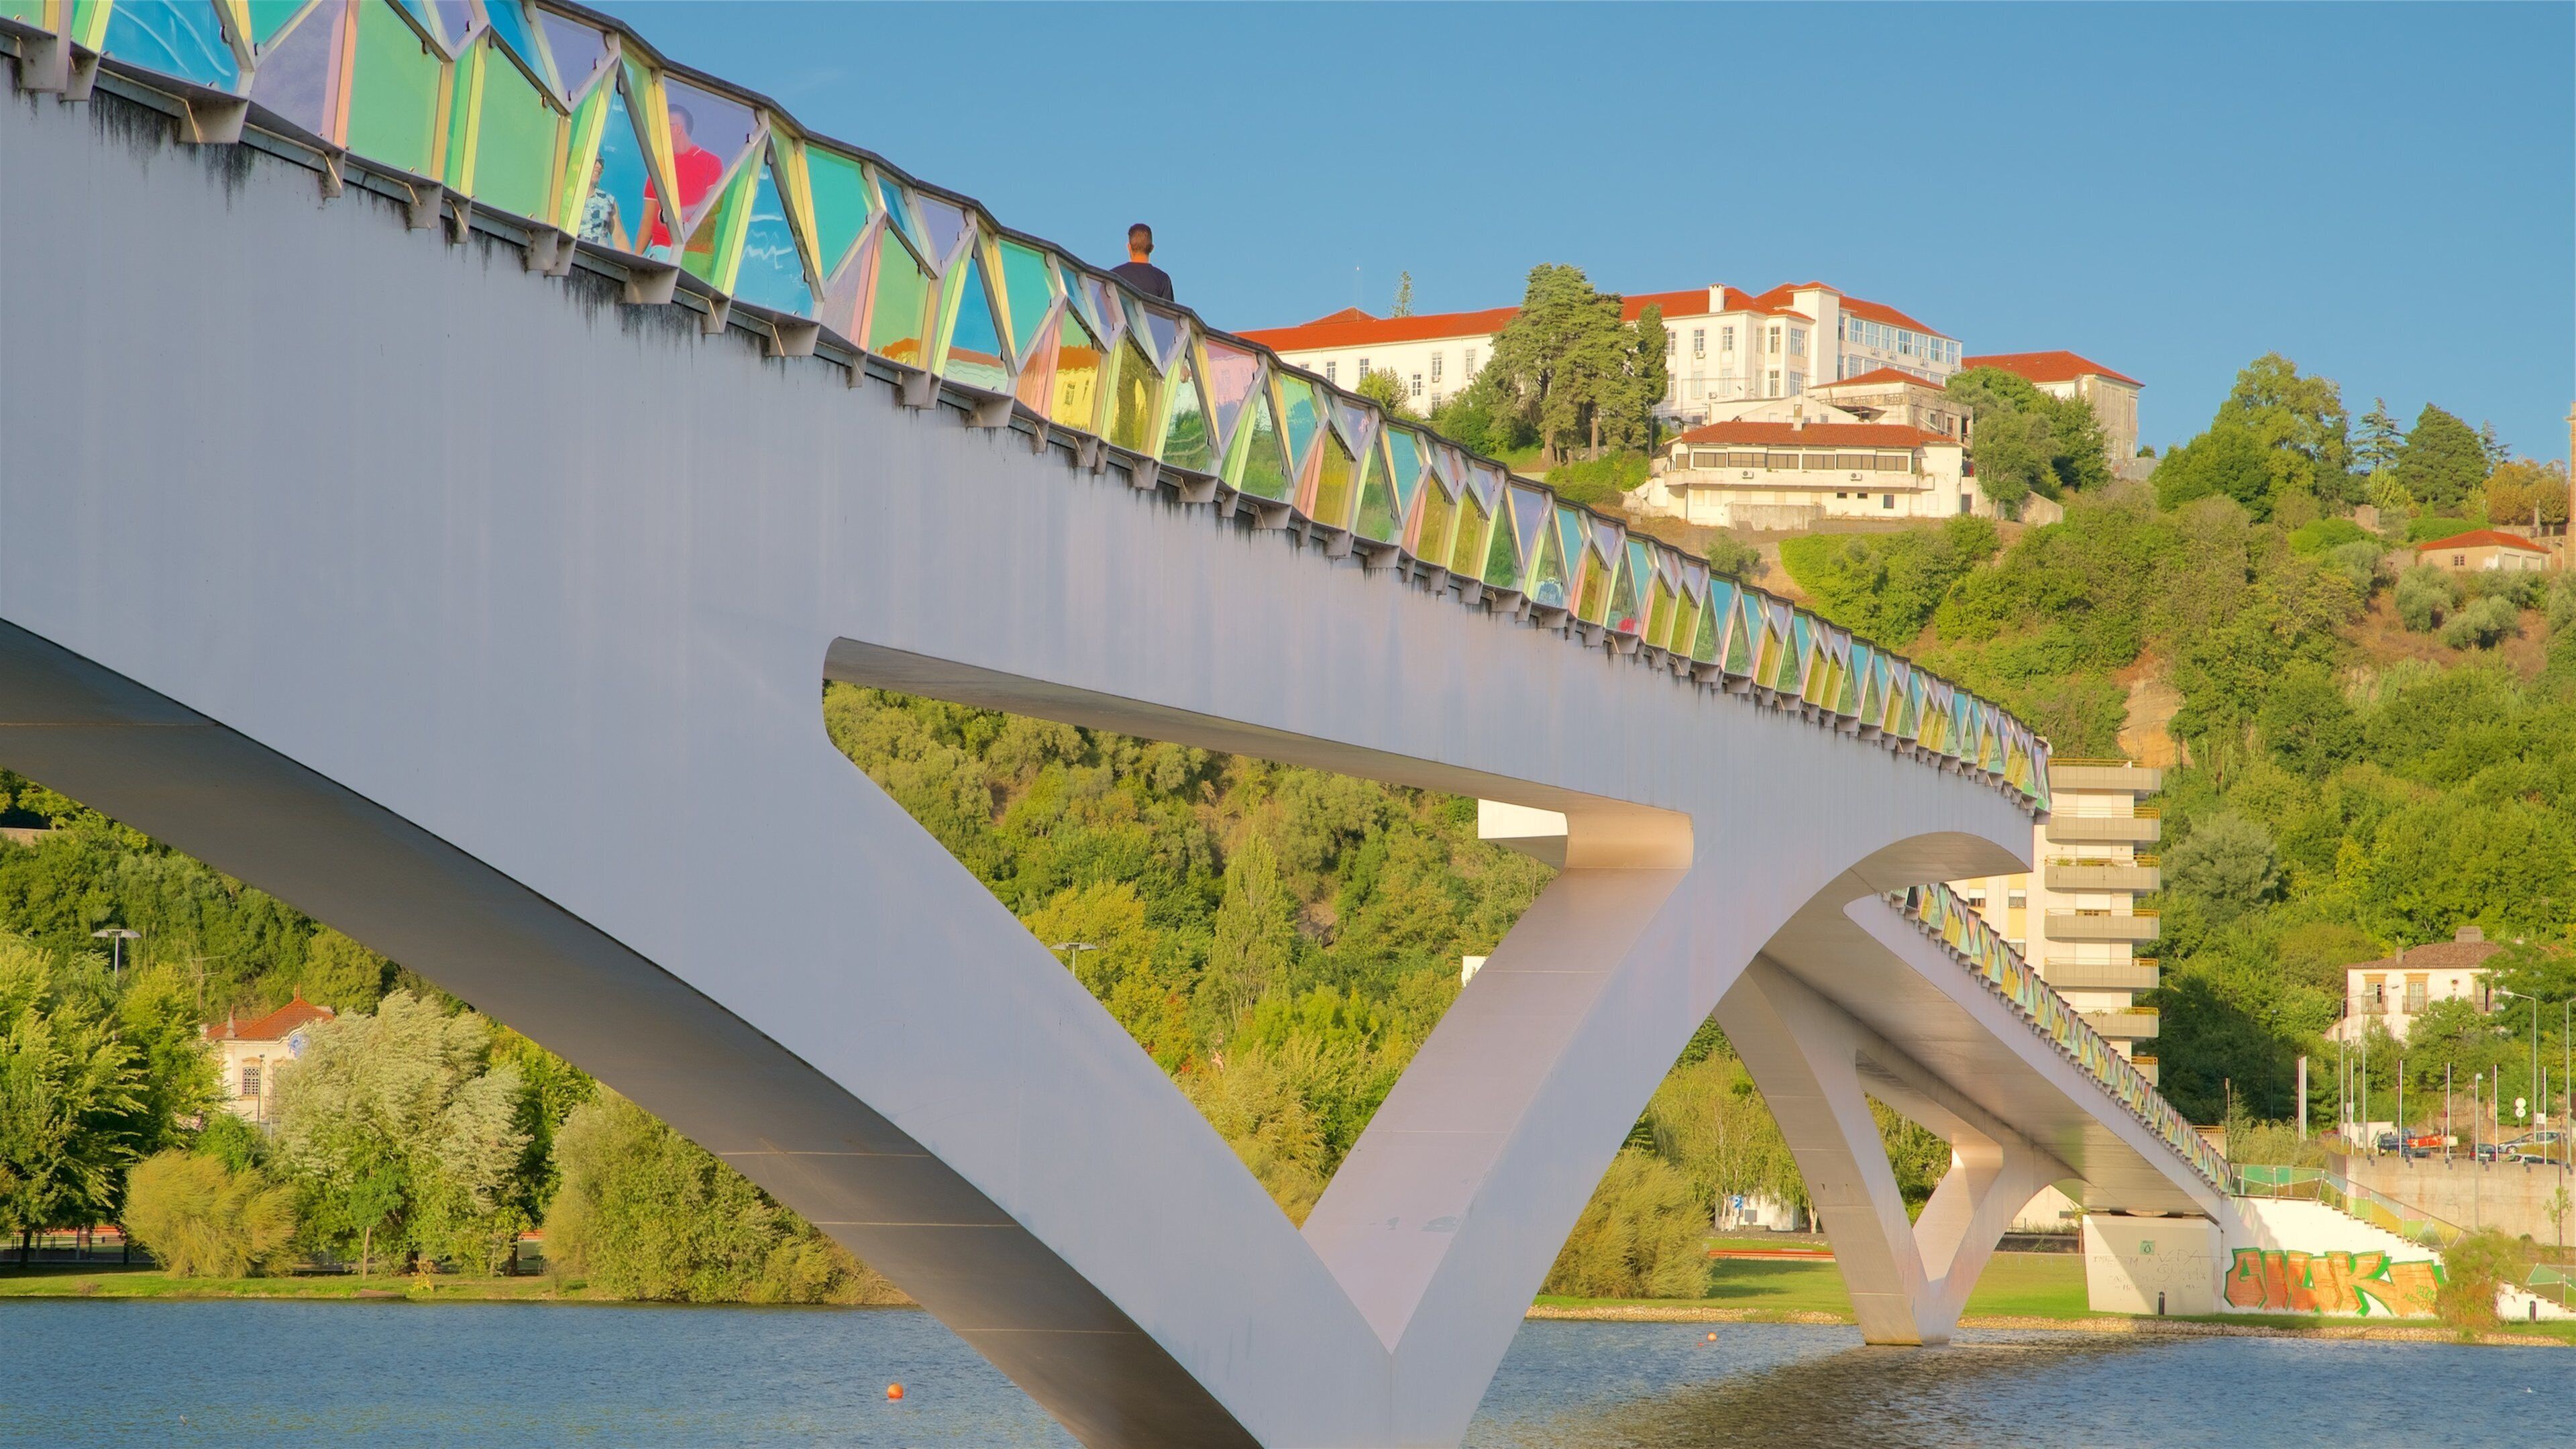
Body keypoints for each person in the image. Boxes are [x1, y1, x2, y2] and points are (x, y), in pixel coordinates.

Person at [641, 104, 722, 262]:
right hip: (659, 250)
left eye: (663, 127)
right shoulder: (660, 167)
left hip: (695, 252)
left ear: (677, 128)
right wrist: (635, 257)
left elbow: (716, 204)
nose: (658, 133)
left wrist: (683, 213)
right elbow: (648, 219)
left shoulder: (711, 161)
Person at [1110, 223, 1173, 303]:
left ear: (1129, 247)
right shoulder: (1162, 279)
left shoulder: (1114, 276)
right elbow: (1167, 313)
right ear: (1152, 248)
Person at [577, 156, 623, 249]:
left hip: (598, 258)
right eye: (595, 161)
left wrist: (629, 262)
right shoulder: (565, 198)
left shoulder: (608, 201)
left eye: (601, 162)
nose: (599, 166)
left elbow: (619, 238)